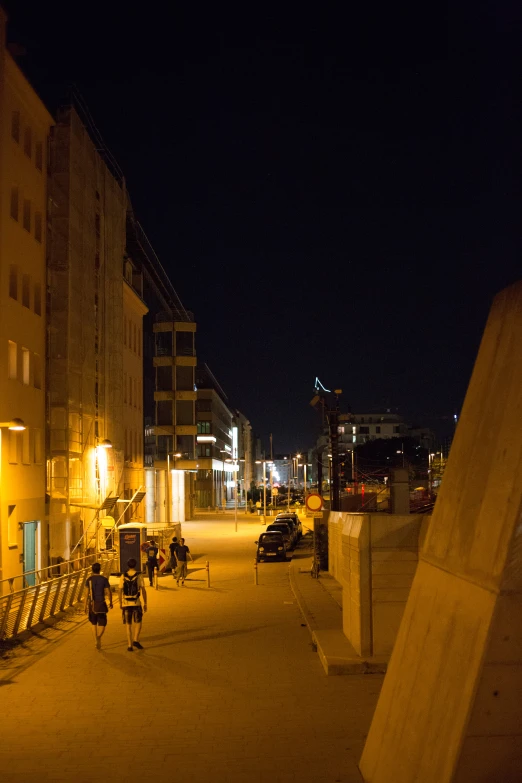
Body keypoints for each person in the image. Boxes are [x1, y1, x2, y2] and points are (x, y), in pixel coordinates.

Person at [118, 558, 147, 652]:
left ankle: (129, 645)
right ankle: (135, 639)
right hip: (136, 602)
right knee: (138, 622)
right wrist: (145, 603)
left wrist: (120, 603)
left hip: (126, 603)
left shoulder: (123, 576)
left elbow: (120, 590)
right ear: (135, 565)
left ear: (128, 565)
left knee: (128, 624)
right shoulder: (139, 576)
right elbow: (143, 590)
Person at [85, 562, 113, 649]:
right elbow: (109, 592)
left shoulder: (89, 580)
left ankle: (95, 639)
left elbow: (86, 595)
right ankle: (99, 637)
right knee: (103, 623)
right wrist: (111, 602)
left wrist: (85, 606)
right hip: (101, 604)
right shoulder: (104, 579)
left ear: (92, 570)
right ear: (100, 569)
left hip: (92, 604)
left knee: (93, 623)